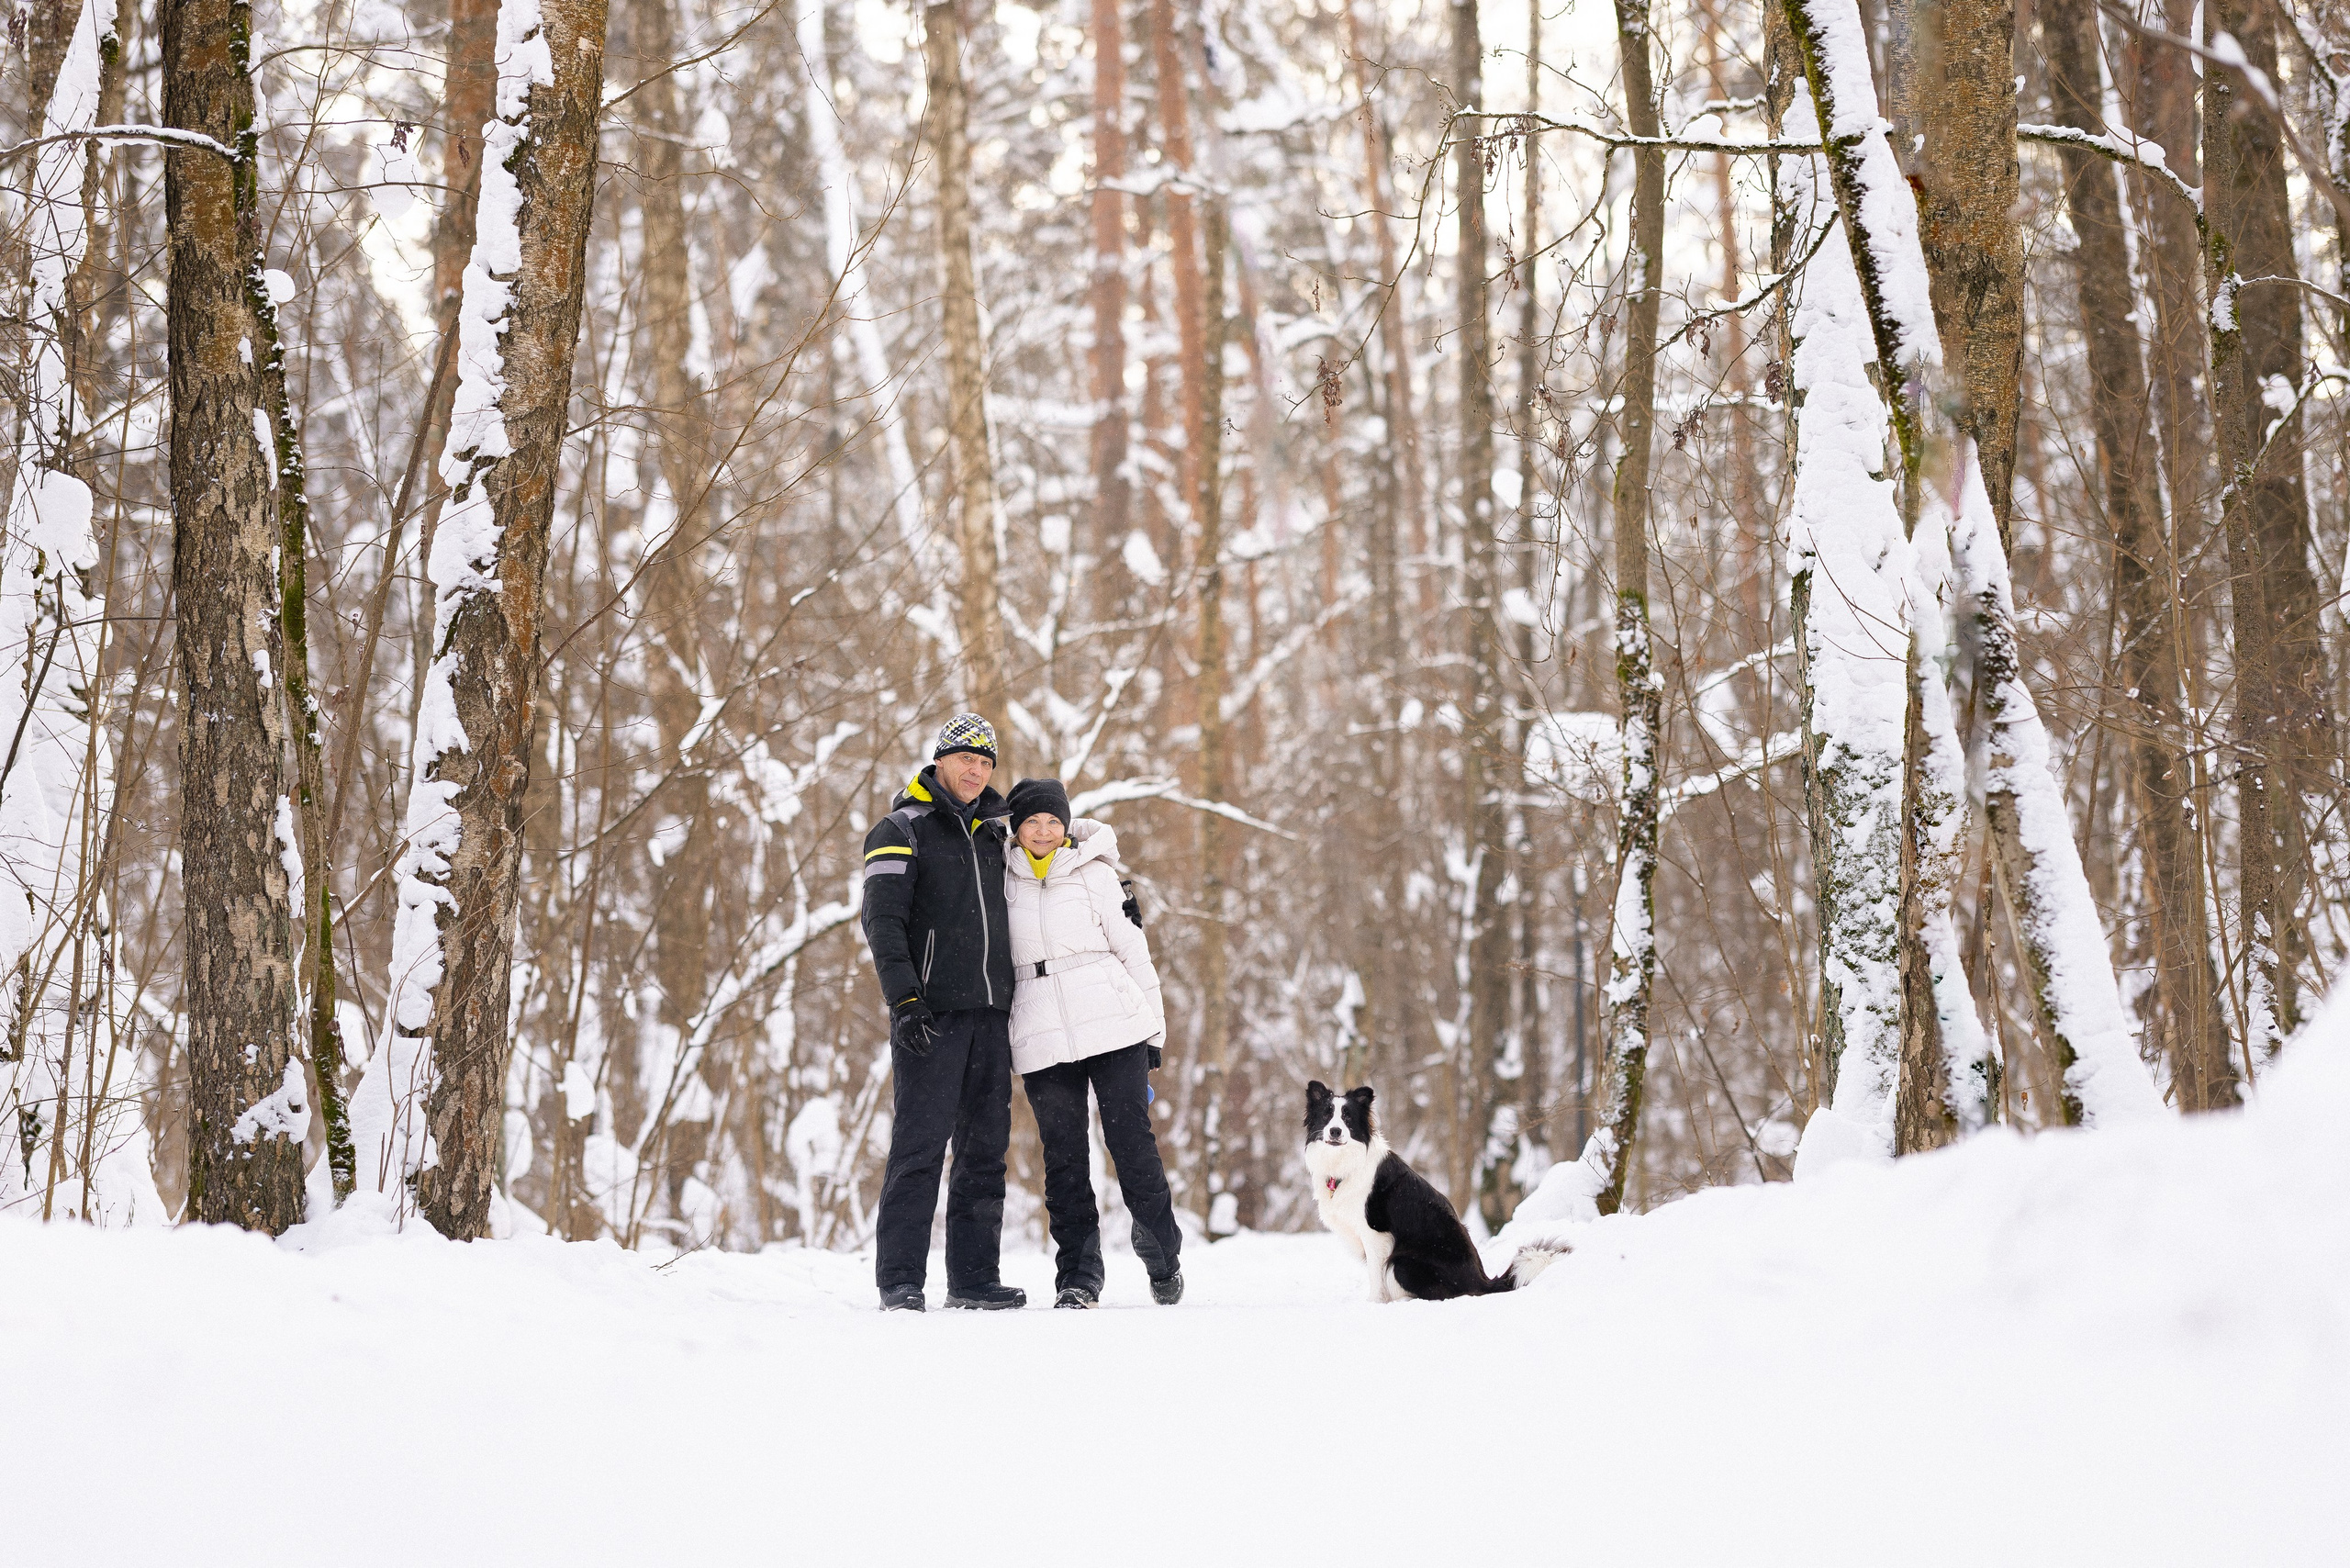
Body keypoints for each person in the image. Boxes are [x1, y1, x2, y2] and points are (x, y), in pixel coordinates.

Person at [859, 714, 1025, 1312]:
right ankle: (900, 1280)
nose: (976, 771)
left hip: (991, 1017)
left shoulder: (995, 837)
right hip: (929, 1016)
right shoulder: (901, 827)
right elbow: (882, 922)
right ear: (940, 761)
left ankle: (973, 1278)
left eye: (985, 763)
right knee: (920, 1148)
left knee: (984, 1152)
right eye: (966, 759)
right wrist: (904, 1000)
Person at [1001, 777, 1184, 1309]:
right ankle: (1078, 1276)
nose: (1043, 831)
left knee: (1131, 1141)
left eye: (1053, 822)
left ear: (1066, 826)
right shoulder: (1000, 879)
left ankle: (1162, 1250)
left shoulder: (1098, 876)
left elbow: (1134, 952)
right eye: (1032, 822)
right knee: (1063, 1158)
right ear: (1016, 828)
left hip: (1114, 1022)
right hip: (1040, 1032)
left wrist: (1154, 1030)